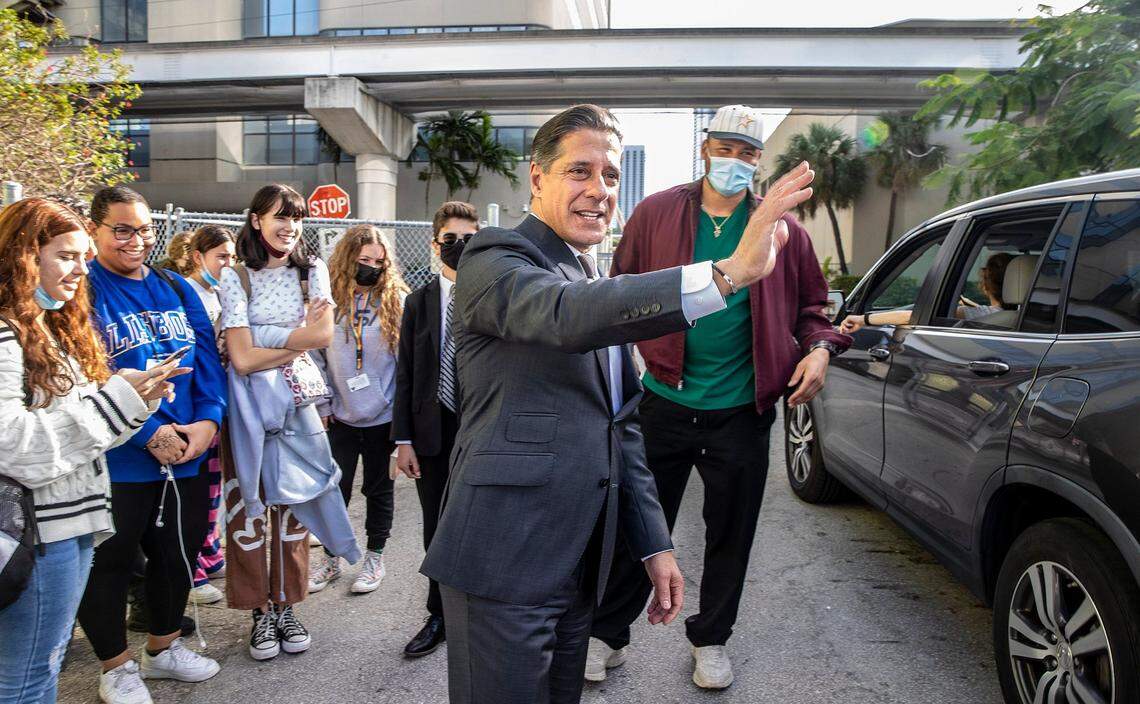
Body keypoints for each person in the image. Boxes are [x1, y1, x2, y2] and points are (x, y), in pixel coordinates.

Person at [419, 103, 816, 704]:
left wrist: (654, 545)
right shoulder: (495, 257)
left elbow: (622, 429)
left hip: (581, 567)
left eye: (609, 176)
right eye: (580, 171)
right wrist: (727, 274)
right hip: (506, 563)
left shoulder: (587, 276)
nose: (599, 190)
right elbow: (563, 316)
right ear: (537, 176)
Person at [585, 104, 849, 690]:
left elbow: (813, 309)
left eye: (747, 152)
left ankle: (712, 639)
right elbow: (619, 291)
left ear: (758, 161)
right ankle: (608, 633)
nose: (735, 161)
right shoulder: (656, 214)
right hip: (663, 401)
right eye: (725, 148)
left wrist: (820, 348)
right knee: (639, 521)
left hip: (741, 411)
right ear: (707, 148)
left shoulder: (784, 229)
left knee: (731, 531)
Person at [0, 198, 179, 704]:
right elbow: (16, 446)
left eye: (82, 255)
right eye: (65, 255)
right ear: (22, 256)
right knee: (26, 679)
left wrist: (136, 401)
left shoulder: (47, 330)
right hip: (34, 534)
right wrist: (118, 399)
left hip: (68, 528)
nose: (82, 268)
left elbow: (86, 433)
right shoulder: (5, 336)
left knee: (44, 666)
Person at [75, 186, 228, 704]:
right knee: (110, 565)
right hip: (120, 458)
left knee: (176, 558)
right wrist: (147, 432)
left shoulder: (176, 287)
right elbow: (87, 371)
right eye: (122, 229)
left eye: (144, 229)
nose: (135, 240)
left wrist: (207, 423)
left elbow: (207, 362)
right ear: (94, 229)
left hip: (186, 452)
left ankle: (162, 651)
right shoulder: (85, 290)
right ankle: (115, 667)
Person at [217, 183, 360, 663]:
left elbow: (321, 335)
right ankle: (259, 612)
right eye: (280, 216)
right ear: (256, 219)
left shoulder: (312, 269)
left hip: (300, 402)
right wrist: (291, 341)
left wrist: (262, 339)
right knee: (251, 509)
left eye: (296, 218)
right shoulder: (234, 275)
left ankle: (288, 607)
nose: (289, 227)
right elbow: (239, 360)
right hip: (247, 406)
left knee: (297, 507)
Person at [391, 201, 479, 657]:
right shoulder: (418, 301)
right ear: (435, 244)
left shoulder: (491, 295)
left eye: (469, 239)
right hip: (430, 432)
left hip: (479, 431)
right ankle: (440, 613)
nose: (459, 247)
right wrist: (402, 440)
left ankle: (480, 613)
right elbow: (406, 372)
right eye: (451, 239)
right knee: (436, 527)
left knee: (480, 522)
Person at [309, 224, 409, 594]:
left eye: (378, 262)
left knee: (380, 490)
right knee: (335, 489)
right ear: (348, 259)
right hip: (339, 415)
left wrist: (400, 419)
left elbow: (405, 367)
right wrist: (322, 403)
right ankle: (332, 558)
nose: (370, 268)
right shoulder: (329, 301)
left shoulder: (395, 302)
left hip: (383, 416)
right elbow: (315, 355)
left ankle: (374, 558)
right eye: (364, 260)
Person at [178, 226, 236, 606]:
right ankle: (192, 571)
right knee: (196, 493)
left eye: (232, 257)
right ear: (198, 256)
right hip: (196, 405)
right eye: (221, 257)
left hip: (218, 400)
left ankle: (210, 552)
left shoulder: (222, 291)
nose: (228, 264)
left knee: (214, 486)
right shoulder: (186, 292)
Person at [839, 252, 1014, 332]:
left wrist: (862, 319)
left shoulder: (975, 314)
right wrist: (971, 305)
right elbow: (993, 312)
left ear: (986, 286)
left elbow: (911, 316)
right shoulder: (1022, 317)